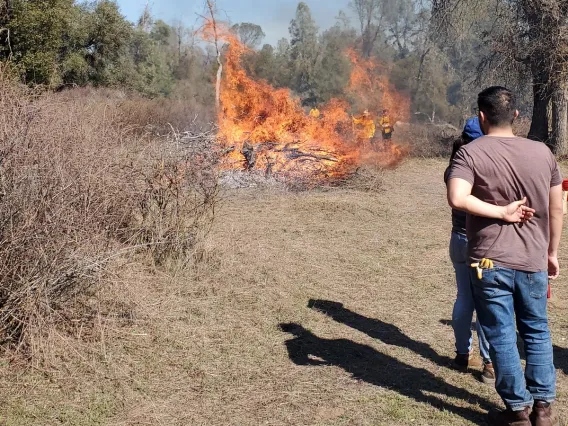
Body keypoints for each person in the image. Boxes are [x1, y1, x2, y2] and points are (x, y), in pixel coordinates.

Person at [447, 86, 563, 426]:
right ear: (515, 116)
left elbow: (457, 197)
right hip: (533, 259)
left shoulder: (469, 153)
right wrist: (552, 252)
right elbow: (557, 208)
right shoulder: (543, 152)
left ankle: (517, 411)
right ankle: (542, 408)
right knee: (537, 331)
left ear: (481, 116)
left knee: (499, 333)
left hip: (488, 262)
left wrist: (499, 213)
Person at [444, 117, 493, 383]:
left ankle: (462, 354)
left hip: (458, 240)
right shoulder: (484, 166)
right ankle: (489, 364)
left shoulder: (453, 166)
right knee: (486, 302)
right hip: (481, 243)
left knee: (464, 298)